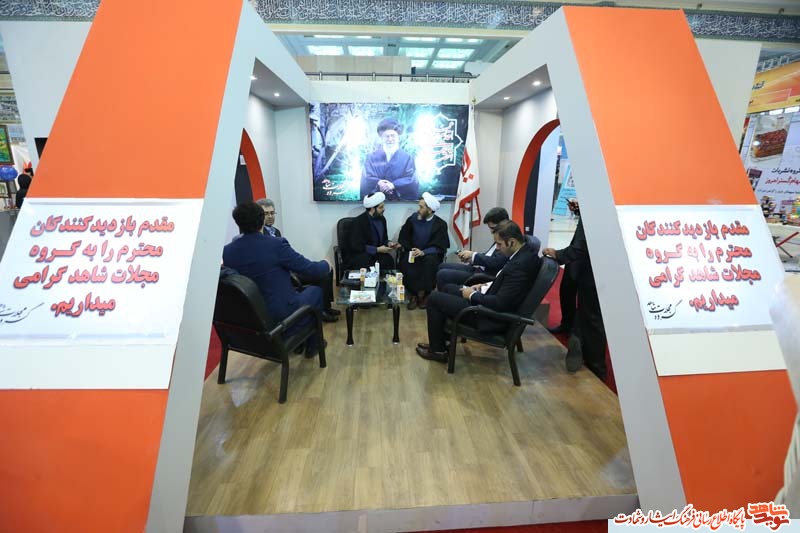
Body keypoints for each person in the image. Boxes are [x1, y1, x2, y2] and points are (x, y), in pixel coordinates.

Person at [416, 220, 543, 362]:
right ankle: (442, 342)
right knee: (448, 288)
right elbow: (507, 285)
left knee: (434, 299)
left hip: (489, 316)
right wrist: (483, 285)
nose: (498, 249)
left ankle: (438, 351)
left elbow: (500, 303)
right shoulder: (525, 254)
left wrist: (472, 295)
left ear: (512, 242)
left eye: (499, 244)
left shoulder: (519, 267)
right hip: (489, 302)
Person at [222, 202, 332, 356]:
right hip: (279, 316)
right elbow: (312, 270)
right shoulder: (276, 244)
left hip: (252, 318)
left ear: (238, 222)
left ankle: (303, 342)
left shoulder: (227, 251)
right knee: (315, 291)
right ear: (262, 219)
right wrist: (326, 263)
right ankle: (313, 345)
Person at [542, 215, 607, 380]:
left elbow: (583, 245)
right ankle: (573, 333)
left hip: (594, 270)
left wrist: (559, 254)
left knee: (592, 318)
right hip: (585, 265)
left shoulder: (596, 210)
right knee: (577, 303)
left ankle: (596, 367)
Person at [255, 197, 340, 322]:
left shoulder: (275, 231)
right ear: (258, 216)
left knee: (327, 272)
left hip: (288, 268)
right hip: (284, 275)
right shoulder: (260, 236)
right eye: (266, 214)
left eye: (272, 213)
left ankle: (326, 307)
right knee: (322, 272)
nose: (270, 216)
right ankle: (321, 312)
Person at [436, 207, 510, 291]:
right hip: (479, 269)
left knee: (442, 275)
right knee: (442, 266)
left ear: (504, 223)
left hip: (484, 276)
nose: (491, 232)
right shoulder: (500, 234)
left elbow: (497, 262)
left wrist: (473, 255)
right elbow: (489, 255)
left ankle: (444, 296)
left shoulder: (507, 238)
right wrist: (471, 258)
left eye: (493, 228)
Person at [398, 192, 450, 310]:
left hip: (430, 253)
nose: (418, 209)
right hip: (413, 250)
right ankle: (413, 295)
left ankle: (426, 295)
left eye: (421, 207)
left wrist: (424, 252)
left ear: (430, 210)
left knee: (430, 261)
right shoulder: (413, 219)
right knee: (407, 261)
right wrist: (412, 249)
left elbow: (440, 246)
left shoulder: (440, 224)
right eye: (419, 206)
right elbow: (403, 237)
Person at [361, 118, 418, 201]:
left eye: (393, 136)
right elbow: (367, 176)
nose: (390, 139)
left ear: (398, 137)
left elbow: (411, 178)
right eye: (387, 136)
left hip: (399, 202)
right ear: (381, 138)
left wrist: (393, 185)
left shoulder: (407, 157)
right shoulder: (371, 157)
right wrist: (379, 183)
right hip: (376, 202)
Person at [548, 198, 580, 335]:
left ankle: (578, 333)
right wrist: (579, 210)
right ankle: (567, 325)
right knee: (567, 290)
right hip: (575, 259)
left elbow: (581, 246)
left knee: (587, 303)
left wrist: (558, 254)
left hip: (585, 261)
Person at [344, 191, 399, 271]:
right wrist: (377, 249)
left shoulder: (382, 219)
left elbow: (384, 239)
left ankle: (385, 279)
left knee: (388, 260)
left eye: (383, 206)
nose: (384, 209)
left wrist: (389, 243)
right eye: (381, 207)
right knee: (365, 261)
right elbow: (356, 246)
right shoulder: (358, 222)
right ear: (372, 209)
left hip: (377, 254)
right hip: (361, 254)